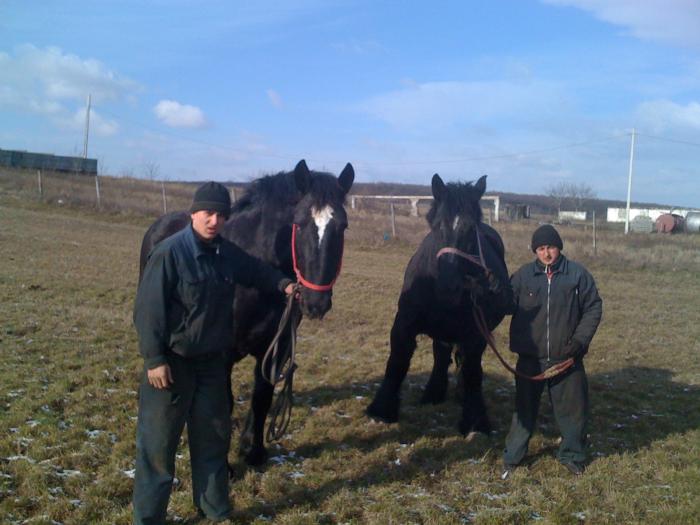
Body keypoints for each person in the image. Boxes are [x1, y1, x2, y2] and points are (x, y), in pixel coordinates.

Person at [132, 182, 294, 524]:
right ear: (193, 213)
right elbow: (147, 311)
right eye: (208, 213)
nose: (214, 220)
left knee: (213, 442)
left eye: (221, 215)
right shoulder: (169, 253)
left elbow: (255, 270)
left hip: (212, 365)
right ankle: (148, 518)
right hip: (173, 364)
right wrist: (154, 360)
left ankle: (214, 509)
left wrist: (284, 284)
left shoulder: (226, 253)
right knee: (159, 449)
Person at [502, 224, 602, 478]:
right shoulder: (523, 276)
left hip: (567, 358)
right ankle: (513, 458)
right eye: (541, 249)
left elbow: (593, 307)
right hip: (530, 359)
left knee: (573, 412)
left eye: (551, 248)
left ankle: (572, 456)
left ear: (559, 248)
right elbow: (505, 304)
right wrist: (490, 289)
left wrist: (580, 340)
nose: (546, 254)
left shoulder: (578, 275)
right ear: (535, 251)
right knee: (523, 411)